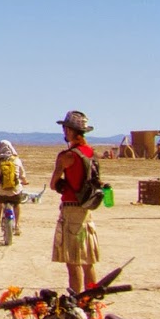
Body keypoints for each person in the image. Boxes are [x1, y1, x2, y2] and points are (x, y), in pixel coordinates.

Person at [48, 110, 100, 294]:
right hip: (86, 210)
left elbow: (53, 184)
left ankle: (75, 300)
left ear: (69, 130)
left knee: (73, 261)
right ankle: (90, 300)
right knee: (88, 261)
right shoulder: (91, 153)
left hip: (71, 211)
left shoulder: (66, 156)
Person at [0, 139, 28, 233]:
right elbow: (22, 175)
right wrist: (25, 182)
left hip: (1, 191)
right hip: (15, 191)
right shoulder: (16, 160)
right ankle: (17, 225)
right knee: (17, 204)